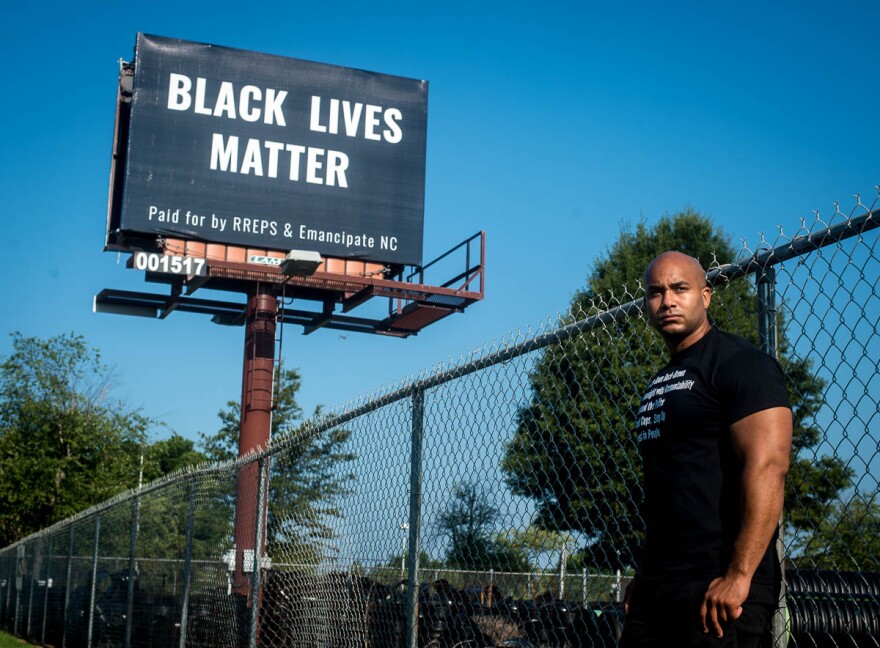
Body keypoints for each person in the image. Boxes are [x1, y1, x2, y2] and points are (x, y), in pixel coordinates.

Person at [618, 251, 793, 647]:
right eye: (656, 292)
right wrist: (646, 576)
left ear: (706, 296)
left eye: (680, 288)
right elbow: (668, 488)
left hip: (719, 588)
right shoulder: (662, 379)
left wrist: (739, 575)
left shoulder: (742, 364)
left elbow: (768, 466)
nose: (668, 301)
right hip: (659, 587)